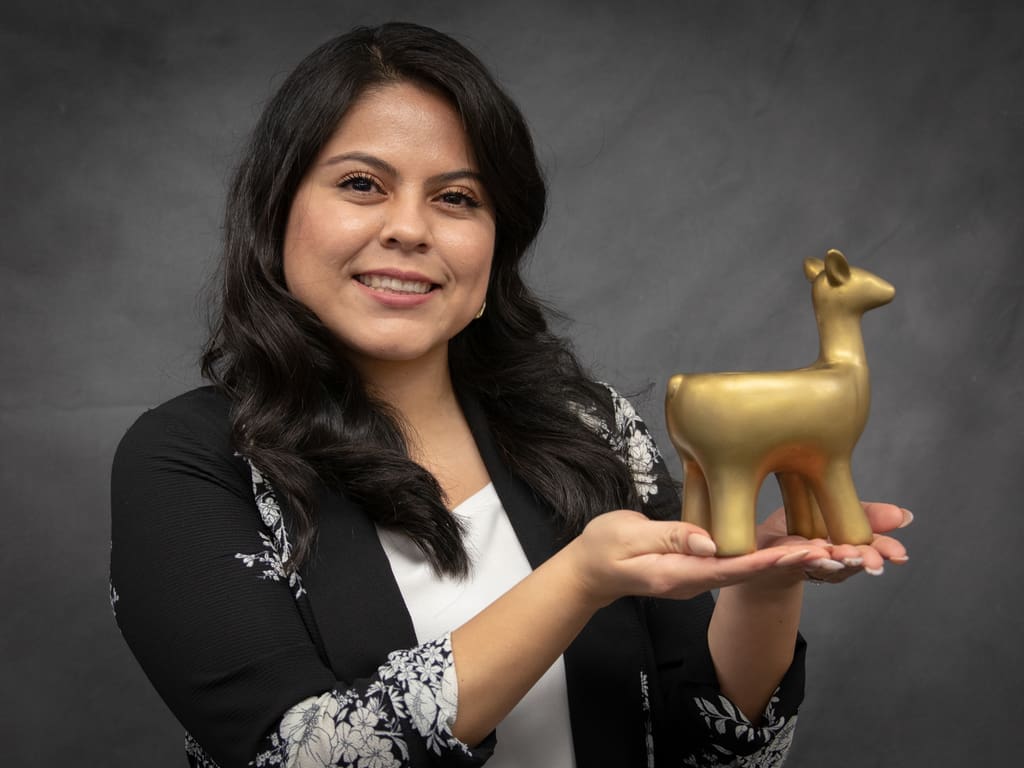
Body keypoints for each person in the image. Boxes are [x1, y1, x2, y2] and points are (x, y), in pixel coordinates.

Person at [109, 21, 910, 768]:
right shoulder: (188, 462)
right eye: (362, 183)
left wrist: (766, 583)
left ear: (498, 248)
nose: (410, 230)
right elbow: (301, 752)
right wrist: (576, 580)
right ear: (276, 216)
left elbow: (728, 756)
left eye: (457, 198)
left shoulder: (587, 426)